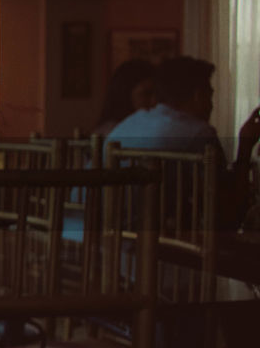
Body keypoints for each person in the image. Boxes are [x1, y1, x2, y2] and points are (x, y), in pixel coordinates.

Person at [104, 56, 259, 228]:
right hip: (146, 245)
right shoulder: (200, 133)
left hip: (99, 236)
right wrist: (245, 147)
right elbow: (228, 214)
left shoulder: (131, 122)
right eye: (210, 96)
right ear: (198, 96)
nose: (212, 105)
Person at [93, 58, 156, 138]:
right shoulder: (113, 132)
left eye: (157, 94)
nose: (154, 101)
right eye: (146, 94)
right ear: (125, 95)